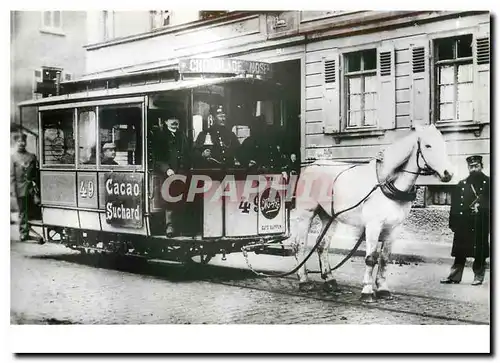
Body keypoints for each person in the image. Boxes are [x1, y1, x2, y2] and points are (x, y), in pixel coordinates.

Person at [441, 155, 490, 285]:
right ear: (468, 167)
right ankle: (454, 277)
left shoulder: (490, 183)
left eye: (476, 166)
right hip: (464, 223)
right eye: (471, 167)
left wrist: (482, 208)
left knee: (479, 252)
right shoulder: (462, 184)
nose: (474, 169)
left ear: (481, 166)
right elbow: (455, 205)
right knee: (460, 251)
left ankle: (478, 277)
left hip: (481, 222)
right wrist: (453, 222)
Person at [152, 117, 191, 237]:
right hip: (168, 173)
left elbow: (188, 153)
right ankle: (170, 226)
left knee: (183, 199)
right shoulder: (161, 136)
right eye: (171, 119)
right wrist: (167, 169)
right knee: (169, 199)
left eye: (176, 119)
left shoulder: (182, 136)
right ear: (166, 122)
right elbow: (157, 158)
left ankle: (181, 226)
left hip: (182, 173)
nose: (174, 121)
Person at [10, 132, 39, 241]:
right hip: (20, 188)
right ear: (15, 143)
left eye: (23, 141)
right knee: (23, 211)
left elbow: (35, 173)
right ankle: (23, 232)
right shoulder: (13, 158)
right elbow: (11, 175)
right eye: (19, 141)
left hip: (31, 188)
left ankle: (31, 230)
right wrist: (13, 190)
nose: (21, 143)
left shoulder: (31, 156)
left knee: (32, 210)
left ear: (25, 142)